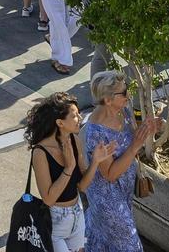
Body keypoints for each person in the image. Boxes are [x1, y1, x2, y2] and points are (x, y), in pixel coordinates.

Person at [25, 92, 117, 252]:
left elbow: (81, 186)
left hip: (77, 213)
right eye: (74, 116)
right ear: (60, 122)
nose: (80, 118)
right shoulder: (40, 152)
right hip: (55, 221)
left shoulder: (75, 141)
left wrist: (95, 161)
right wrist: (68, 168)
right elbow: (48, 198)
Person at [85, 70, 162, 251]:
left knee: (107, 243)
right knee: (130, 246)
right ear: (107, 100)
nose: (128, 95)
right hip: (106, 199)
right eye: (124, 93)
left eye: (126, 89)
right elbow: (110, 174)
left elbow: (130, 140)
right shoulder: (96, 132)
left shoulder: (124, 111)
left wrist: (146, 129)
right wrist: (136, 146)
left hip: (123, 192)